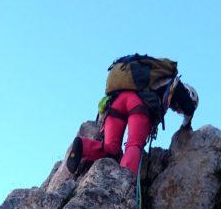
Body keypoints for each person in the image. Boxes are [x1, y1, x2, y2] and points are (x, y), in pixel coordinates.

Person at [66, 75, 199, 176]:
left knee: (111, 149)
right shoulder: (177, 86)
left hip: (118, 101)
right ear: (189, 93)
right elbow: (189, 108)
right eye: (179, 111)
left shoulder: (155, 82)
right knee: (134, 145)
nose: (178, 112)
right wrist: (186, 125)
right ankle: (123, 178)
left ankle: (83, 146)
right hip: (138, 105)